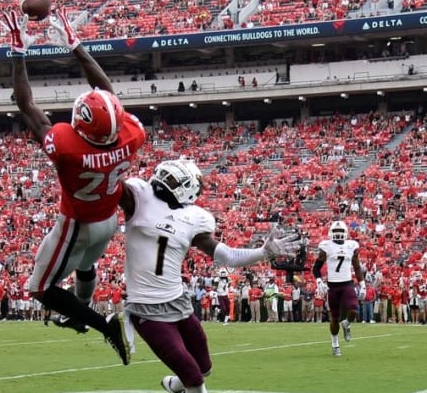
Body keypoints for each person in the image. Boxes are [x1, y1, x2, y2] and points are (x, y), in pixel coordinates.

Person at [2, 7, 147, 365]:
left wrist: (19, 52)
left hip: (76, 224)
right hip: (108, 219)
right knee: (85, 266)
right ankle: (78, 312)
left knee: (38, 288)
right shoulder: (132, 135)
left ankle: (103, 324)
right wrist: (76, 45)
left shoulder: (68, 148)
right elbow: (107, 92)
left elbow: (26, 105)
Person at [117, 159, 301, 393]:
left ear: (188, 188)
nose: (164, 180)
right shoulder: (139, 197)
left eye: (173, 179)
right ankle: (183, 383)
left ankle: (173, 385)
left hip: (178, 303)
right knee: (193, 377)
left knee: (204, 369)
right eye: (165, 175)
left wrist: (263, 252)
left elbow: (228, 256)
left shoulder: (193, 218)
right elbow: (110, 188)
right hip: (146, 307)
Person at [313, 220, 365, 357]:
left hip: (347, 283)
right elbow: (316, 268)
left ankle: (347, 324)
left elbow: (357, 267)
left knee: (353, 309)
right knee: (334, 318)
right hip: (333, 286)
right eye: (336, 232)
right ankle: (335, 343)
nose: (338, 234)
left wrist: (363, 284)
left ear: (345, 233)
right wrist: (319, 281)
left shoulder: (351, 246)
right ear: (331, 233)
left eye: (340, 232)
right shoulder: (326, 247)